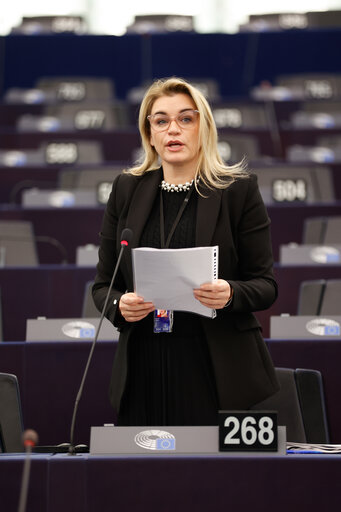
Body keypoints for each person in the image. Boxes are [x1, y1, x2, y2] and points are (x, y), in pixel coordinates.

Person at [92, 77, 279, 426]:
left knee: (214, 478)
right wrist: (121, 304)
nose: (172, 129)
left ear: (203, 128)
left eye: (185, 119)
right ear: (149, 133)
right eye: (161, 120)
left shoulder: (238, 192)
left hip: (216, 364)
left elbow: (266, 285)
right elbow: (103, 287)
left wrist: (230, 292)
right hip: (145, 361)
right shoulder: (126, 190)